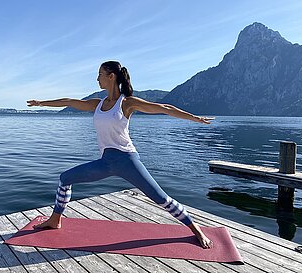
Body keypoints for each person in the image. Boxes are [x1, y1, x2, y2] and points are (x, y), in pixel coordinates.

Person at [27, 61, 215, 248]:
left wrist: (194, 118)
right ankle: (55, 220)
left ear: (111, 76)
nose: (97, 78)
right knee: (65, 178)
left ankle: (196, 229)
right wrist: (41, 103)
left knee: (161, 198)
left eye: (100, 74)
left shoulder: (126, 103)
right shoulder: (97, 104)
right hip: (106, 163)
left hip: (127, 161)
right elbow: (68, 101)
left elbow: (164, 108)